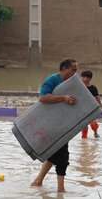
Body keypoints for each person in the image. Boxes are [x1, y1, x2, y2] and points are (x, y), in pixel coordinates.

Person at [30, 58, 78, 192]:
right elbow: (43, 98)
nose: (75, 73)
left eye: (76, 70)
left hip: (65, 125)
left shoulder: (73, 83)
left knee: (53, 153)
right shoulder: (52, 80)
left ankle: (38, 181)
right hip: (50, 124)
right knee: (63, 157)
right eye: (73, 70)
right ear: (64, 69)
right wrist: (63, 98)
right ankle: (60, 190)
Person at [81, 70, 101, 139]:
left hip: (91, 108)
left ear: (89, 78)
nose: (82, 78)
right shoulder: (80, 87)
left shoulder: (93, 88)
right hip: (82, 108)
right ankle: (84, 137)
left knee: (93, 123)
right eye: (82, 76)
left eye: (84, 77)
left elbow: (97, 98)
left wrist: (99, 107)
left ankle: (95, 133)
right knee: (84, 124)